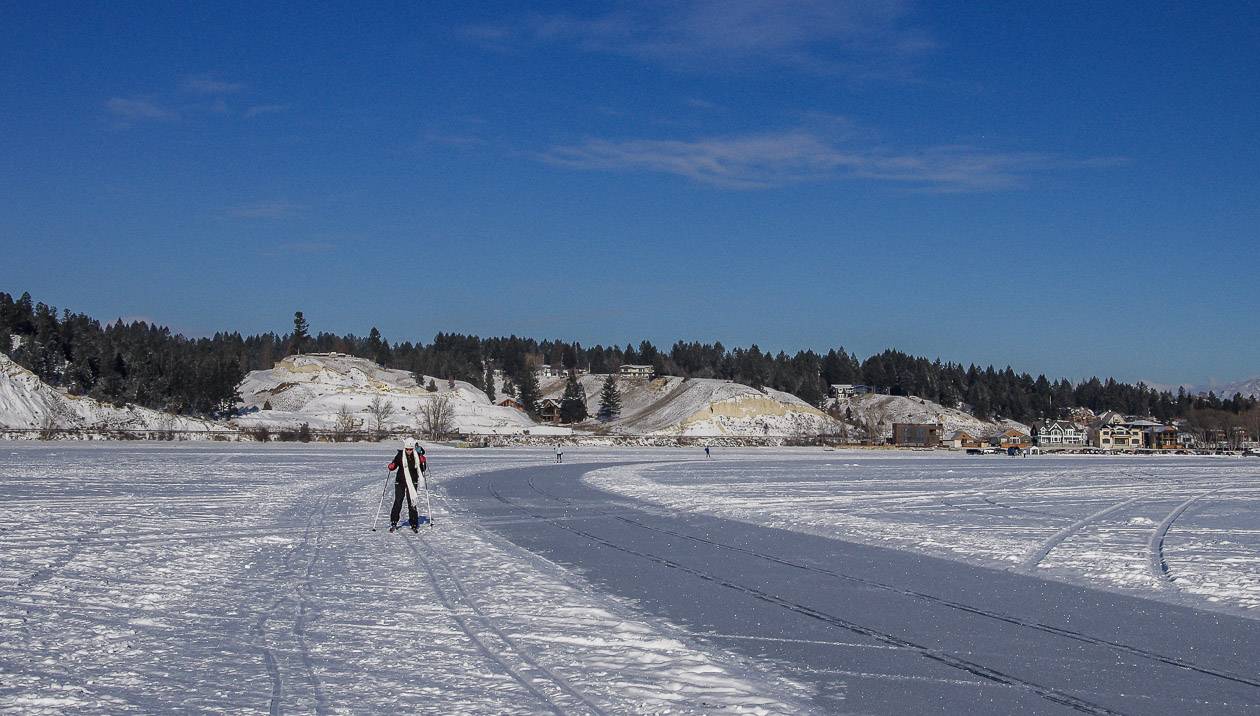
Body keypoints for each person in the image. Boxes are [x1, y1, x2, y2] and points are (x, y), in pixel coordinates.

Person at [386, 438, 427, 532]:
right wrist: (392, 466)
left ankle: (413, 523)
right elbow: (395, 464)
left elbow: (422, 469)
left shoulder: (417, 455)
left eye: (410, 449)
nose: (408, 451)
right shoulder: (400, 455)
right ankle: (394, 521)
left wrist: (422, 462)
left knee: (412, 502)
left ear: (413, 448)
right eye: (407, 449)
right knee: (398, 501)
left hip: (412, 481)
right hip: (400, 481)